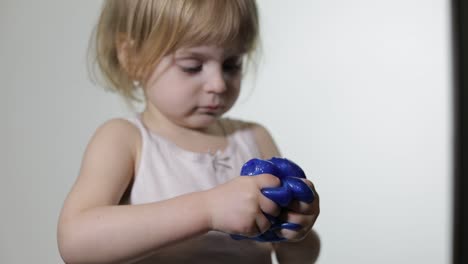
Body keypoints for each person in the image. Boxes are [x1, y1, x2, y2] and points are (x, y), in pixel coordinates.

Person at [57, 0, 320, 263]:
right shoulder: (124, 139)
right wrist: (207, 210)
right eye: (192, 66)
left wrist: (297, 230)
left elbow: (297, 258)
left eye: (231, 64)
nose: (218, 84)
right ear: (132, 57)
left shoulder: (255, 138)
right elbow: (75, 242)